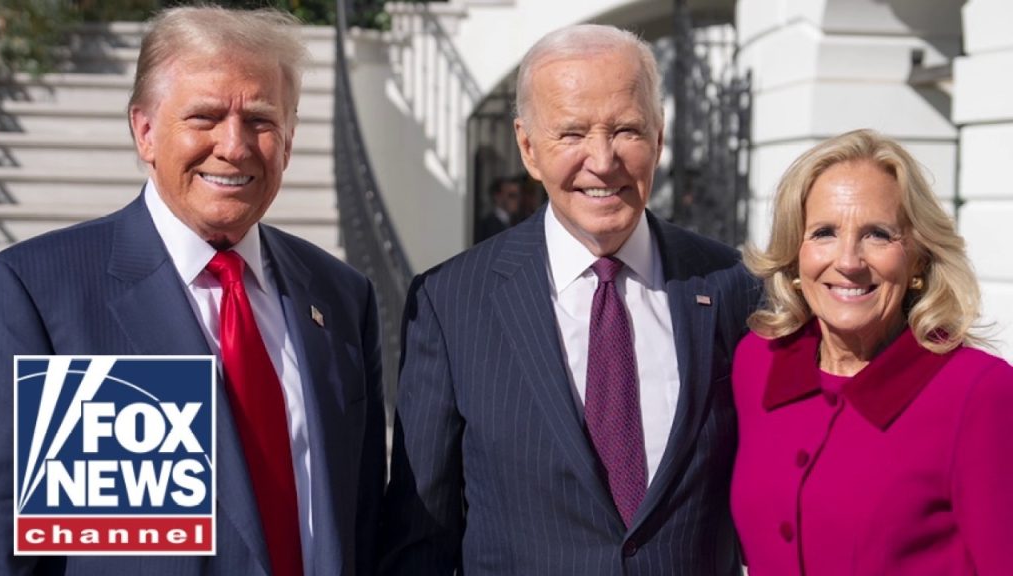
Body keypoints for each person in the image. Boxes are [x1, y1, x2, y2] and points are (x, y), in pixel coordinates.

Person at [0, 7, 385, 576]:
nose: (234, 146)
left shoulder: (341, 297)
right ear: (145, 132)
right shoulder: (38, 294)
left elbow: (363, 523)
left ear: (289, 141)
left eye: (261, 120)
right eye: (205, 117)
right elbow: (7, 547)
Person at [379, 24, 760, 575]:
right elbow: (419, 542)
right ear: (528, 147)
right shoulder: (451, 303)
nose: (602, 161)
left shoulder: (732, 285)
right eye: (572, 133)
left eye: (626, 130)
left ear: (659, 137)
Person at [731, 129, 1013, 575]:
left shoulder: (979, 392)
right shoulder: (758, 363)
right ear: (796, 254)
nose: (848, 261)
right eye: (824, 232)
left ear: (918, 259)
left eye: (878, 235)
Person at [474, 176, 520, 243]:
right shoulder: (487, 226)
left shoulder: (517, 221)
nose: (517, 200)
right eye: (512, 195)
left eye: (518, 195)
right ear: (498, 197)